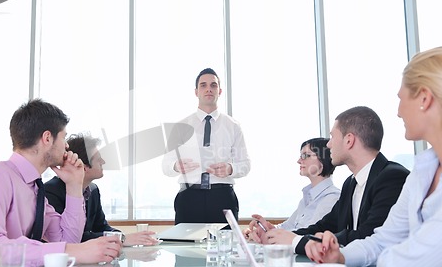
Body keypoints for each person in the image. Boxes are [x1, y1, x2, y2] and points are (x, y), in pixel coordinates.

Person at [305, 46, 442, 267]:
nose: (398, 112)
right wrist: (340, 255)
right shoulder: (423, 171)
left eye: (401, 99)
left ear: (424, 98)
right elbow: (384, 240)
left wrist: (385, 257)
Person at [0, 99, 121, 267]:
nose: (67, 146)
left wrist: (74, 185)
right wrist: (70, 252)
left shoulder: (33, 188)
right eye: (64, 137)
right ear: (47, 138)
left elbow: (68, 240)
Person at [247, 106, 410, 256]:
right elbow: (325, 226)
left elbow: (368, 236)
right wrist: (277, 235)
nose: (329, 144)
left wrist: (296, 241)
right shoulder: (351, 183)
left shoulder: (391, 177)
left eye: (332, 137)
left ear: (349, 140)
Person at [162, 68, 251, 224]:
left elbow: (245, 164)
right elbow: (165, 165)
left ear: (220, 91)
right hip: (189, 197)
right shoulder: (180, 126)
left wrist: (231, 169)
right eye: (203, 85)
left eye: (213, 85)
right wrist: (176, 166)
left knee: (226, 246)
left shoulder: (233, 126)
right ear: (196, 92)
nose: (208, 89)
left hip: (222, 197)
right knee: (185, 247)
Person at [45, 133, 159, 246]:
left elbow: (102, 227)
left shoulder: (93, 190)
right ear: (83, 166)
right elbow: (71, 239)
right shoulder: (51, 191)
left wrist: (122, 237)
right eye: (98, 159)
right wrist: (121, 239)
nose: (103, 162)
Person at [243, 137, 340, 238]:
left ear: (322, 160)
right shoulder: (307, 198)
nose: (299, 161)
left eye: (305, 155)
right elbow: (287, 227)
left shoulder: (332, 198)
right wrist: (265, 228)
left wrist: (270, 234)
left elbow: (309, 234)